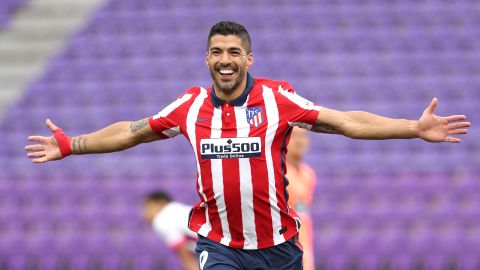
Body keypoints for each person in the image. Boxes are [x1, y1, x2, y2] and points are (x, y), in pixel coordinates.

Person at [25, 21, 470, 270]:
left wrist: (412, 127)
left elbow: (347, 121)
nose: (224, 59)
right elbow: (132, 131)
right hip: (219, 246)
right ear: (206, 58)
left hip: (280, 248)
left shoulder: (278, 99)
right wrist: (75, 144)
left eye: (233, 52)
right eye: (217, 51)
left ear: (248, 59)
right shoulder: (189, 106)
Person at [143, 190, 198, 270]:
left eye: (148, 207)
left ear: (160, 203)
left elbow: (184, 254)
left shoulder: (161, 219)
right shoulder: (179, 209)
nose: (144, 214)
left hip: (217, 249)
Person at [285, 127, 316, 270]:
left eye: (303, 136)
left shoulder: (308, 174)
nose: (299, 141)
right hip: (284, 243)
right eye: (295, 136)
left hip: (304, 240)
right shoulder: (278, 172)